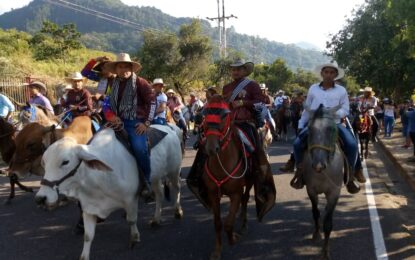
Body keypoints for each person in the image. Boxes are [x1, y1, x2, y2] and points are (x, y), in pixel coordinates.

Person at [187, 58, 276, 214]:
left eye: (239, 69)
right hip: (227, 123)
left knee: (256, 148)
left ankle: (261, 177)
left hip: (246, 123)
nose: (235, 71)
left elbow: (261, 102)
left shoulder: (252, 85)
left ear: (244, 71)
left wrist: (243, 103)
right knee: (205, 144)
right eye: (233, 69)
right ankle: (197, 177)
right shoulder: (227, 87)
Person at [290, 61, 360, 194]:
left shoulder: (342, 90)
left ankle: (350, 176)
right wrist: (300, 124)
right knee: (297, 143)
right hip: (315, 123)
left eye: (332, 72)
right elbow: (307, 109)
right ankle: (299, 172)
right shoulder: (313, 89)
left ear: (336, 75)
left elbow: (345, 109)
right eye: (326, 72)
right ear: (322, 73)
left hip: (335, 124)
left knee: (352, 145)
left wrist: (332, 113)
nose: (328, 75)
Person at [102, 53, 156, 195]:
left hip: (135, 121)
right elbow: (106, 103)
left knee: (139, 148)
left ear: (131, 68)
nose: (124, 69)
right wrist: (111, 116)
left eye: (127, 66)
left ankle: (147, 181)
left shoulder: (140, 82)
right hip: (115, 121)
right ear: (116, 69)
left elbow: (152, 102)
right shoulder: (112, 83)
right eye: (120, 66)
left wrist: (146, 123)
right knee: (95, 140)